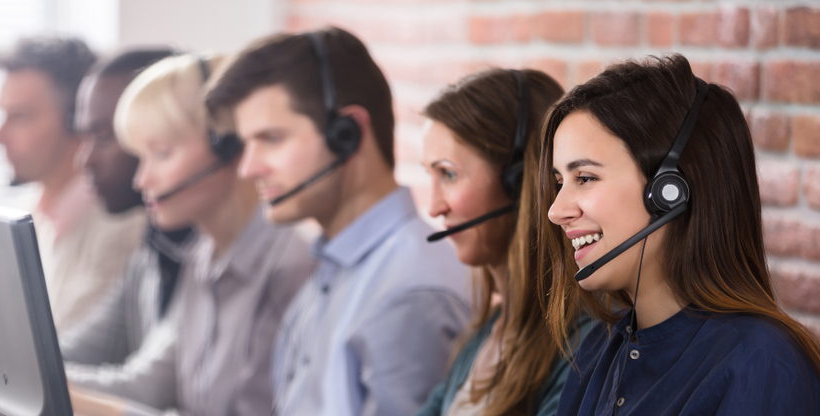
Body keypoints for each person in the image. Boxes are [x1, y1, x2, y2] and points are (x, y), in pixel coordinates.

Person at [205, 27, 471, 416]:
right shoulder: (335, 268)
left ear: (347, 133)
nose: (248, 168)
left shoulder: (408, 294)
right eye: (247, 144)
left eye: (271, 139)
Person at [543, 54, 820, 415]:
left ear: (669, 191)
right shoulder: (599, 348)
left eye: (585, 178)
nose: (555, 211)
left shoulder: (760, 362)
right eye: (559, 182)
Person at [68, 53, 314, 416]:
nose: (141, 180)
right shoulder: (202, 256)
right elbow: (156, 385)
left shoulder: (289, 267)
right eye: (141, 156)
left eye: (162, 154)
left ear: (227, 145)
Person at [414, 69, 592, 416]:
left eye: (448, 174)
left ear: (518, 181)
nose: (435, 206)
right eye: (430, 176)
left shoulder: (582, 345)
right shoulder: (482, 338)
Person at [58, 48, 200, 400]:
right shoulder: (156, 245)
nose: (85, 160)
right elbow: (83, 347)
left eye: (104, 137)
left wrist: (14, 377)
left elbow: (147, 390)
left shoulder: (211, 254)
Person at [0, 37, 145, 333]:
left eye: (19, 117)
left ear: (78, 120)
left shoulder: (123, 231)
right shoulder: (32, 217)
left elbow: (55, 351)